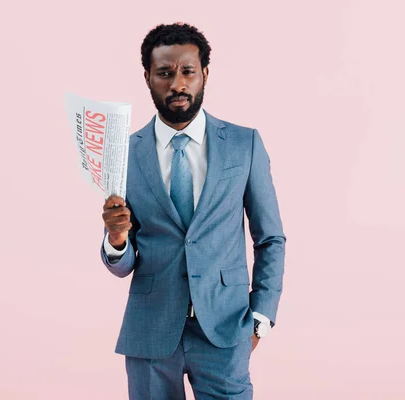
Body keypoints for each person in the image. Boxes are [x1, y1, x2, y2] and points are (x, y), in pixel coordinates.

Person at [100, 22, 285, 400]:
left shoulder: (243, 144)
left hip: (225, 330)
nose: (177, 84)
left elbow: (270, 238)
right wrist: (116, 239)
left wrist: (261, 317)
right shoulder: (123, 153)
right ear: (148, 78)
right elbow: (121, 263)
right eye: (165, 73)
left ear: (205, 74)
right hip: (150, 332)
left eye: (188, 71)